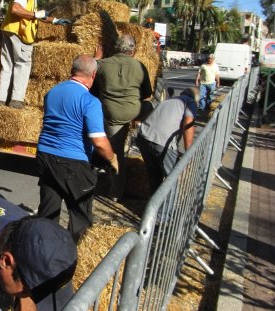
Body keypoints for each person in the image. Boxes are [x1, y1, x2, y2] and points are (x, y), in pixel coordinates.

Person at [36, 54, 118, 242]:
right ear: (93, 75)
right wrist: (112, 158)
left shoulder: (53, 92)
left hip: (45, 155)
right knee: (80, 215)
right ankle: (72, 254)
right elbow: (98, 141)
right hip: (72, 161)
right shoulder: (89, 101)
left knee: (48, 210)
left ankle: (42, 247)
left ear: (73, 71)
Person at [0, 0, 70, 109]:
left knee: (7, 65)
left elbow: (32, 13)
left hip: (9, 31)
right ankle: (16, 100)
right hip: (19, 33)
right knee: (22, 64)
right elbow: (16, 9)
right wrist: (36, 14)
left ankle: (0, 99)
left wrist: (54, 20)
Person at [92, 34, 152, 201]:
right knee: (152, 106)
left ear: (116, 49)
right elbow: (147, 93)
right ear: (132, 51)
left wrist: (96, 59)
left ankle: (115, 192)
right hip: (135, 111)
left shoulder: (102, 65)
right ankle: (148, 137)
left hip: (112, 116)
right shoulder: (139, 66)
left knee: (116, 154)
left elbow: (92, 88)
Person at [135, 87, 199, 194]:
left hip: (143, 137)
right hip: (162, 142)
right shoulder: (190, 102)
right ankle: (168, 210)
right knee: (171, 179)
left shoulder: (168, 101)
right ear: (196, 99)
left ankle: (153, 209)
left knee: (154, 174)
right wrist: (189, 151)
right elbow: (188, 123)